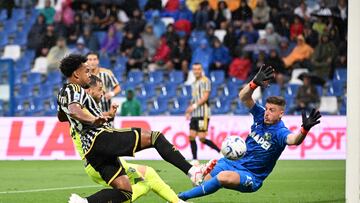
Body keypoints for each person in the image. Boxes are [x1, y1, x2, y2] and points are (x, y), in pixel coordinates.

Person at [57, 54, 211, 203]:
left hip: (92, 153)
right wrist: (92, 119)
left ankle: (84, 201)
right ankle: (192, 171)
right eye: (86, 71)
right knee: (154, 137)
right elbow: (74, 110)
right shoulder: (74, 89)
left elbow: (63, 116)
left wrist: (103, 115)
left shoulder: (63, 94)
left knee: (125, 191)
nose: (90, 75)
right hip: (100, 138)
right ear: (76, 74)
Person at [178, 65, 321, 201]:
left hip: (251, 175)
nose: (267, 113)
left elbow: (294, 140)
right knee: (200, 183)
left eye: (272, 110)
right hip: (230, 163)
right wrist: (253, 83)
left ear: (281, 114)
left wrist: (304, 129)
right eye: (267, 108)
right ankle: (183, 198)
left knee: (222, 177)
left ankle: (180, 197)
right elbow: (243, 97)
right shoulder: (260, 115)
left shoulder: (280, 132)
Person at [68, 75, 183, 203]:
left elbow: (87, 118)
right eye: (100, 89)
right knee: (137, 186)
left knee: (142, 179)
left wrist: (108, 115)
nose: (103, 93)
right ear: (88, 91)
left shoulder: (80, 114)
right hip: (98, 161)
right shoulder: (82, 113)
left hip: (97, 161)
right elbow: (89, 120)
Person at [185, 63, 220, 165]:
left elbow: (205, 97)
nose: (196, 71)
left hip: (203, 114)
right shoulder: (194, 83)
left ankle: (220, 152)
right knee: (191, 136)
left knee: (202, 138)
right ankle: (195, 159)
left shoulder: (206, 81)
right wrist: (188, 111)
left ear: (201, 70)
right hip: (194, 114)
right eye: (194, 69)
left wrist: (194, 107)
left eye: (198, 69)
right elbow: (194, 98)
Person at [86, 52, 120, 127]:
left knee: (109, 132)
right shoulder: (84, 76)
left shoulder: (107, 73)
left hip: (106, 110)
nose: (92, 62)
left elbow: (118, 87)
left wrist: (112, 93)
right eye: (90, 59)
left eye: (94, 59)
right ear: (86, 61)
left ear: (98, 61)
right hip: (91, 113)